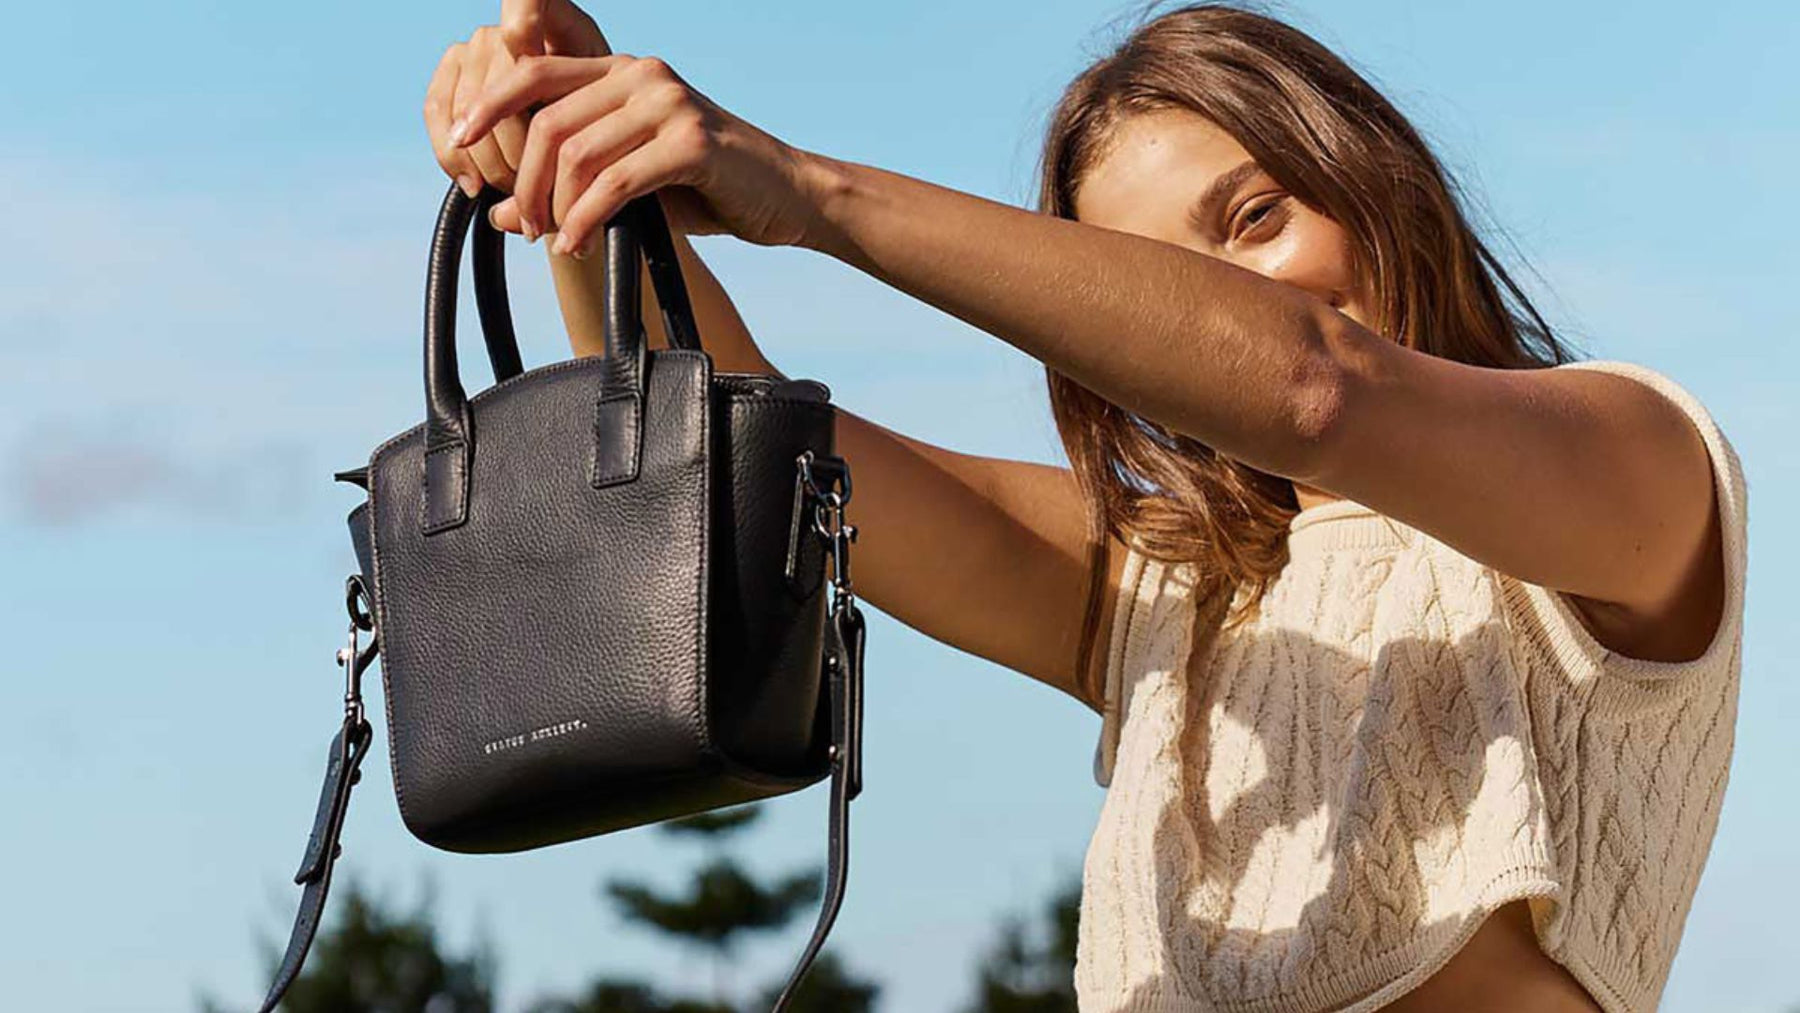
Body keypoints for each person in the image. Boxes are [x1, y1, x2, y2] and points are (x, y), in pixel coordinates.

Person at [424, 3, 1749, 1011]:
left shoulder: (1637, 466)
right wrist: (582, 169)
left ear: (1374, 175)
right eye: (1146, 293)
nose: (1216, 304)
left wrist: (810, 194)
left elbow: (1309, 381)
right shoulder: (1168, 589)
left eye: (1254, 218)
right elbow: (727, 450)